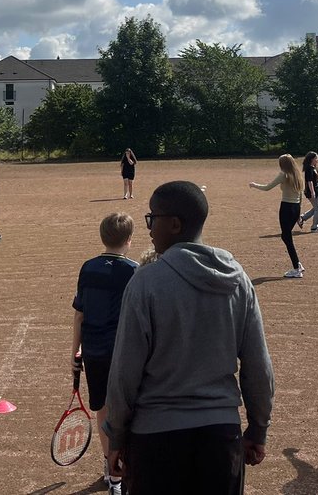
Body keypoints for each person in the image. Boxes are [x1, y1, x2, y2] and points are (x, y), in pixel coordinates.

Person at [104, 181, 274, 495]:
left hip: (156, 440)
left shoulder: (146, 283)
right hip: (221, 438)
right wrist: (258, 428)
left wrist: (116, 438)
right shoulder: (238, 280)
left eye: (152, 218)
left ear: (175, 224)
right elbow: (258, 367)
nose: (149, 227)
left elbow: (124, 372)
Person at [71, 213, 138, 495]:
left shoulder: (88, 268)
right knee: (131, 412)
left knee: (102, 410)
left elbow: (79, 314)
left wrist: (75, 350)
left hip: (94, 351)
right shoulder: (135, 270)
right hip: (126, 354)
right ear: (130, 240)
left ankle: (110, 470)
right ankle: (125, 468)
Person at [248, 154, 307, 278]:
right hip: (295, 208)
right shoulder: (297, 175)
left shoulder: (284, 174)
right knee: (286, 236)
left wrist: (254, 185)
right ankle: (297, 265)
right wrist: (298, 215)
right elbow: (300, 195)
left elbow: (267, 187)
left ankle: (297, 268)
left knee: (286, 236)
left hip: (286, 208)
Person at [298, 151, 318, 233]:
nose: (317, 160)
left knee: (316, 208)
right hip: (312, 192)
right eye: (316, 158)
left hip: (316, 191)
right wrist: (312, 192)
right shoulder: (309, 169)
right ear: (312, 159)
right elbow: (310, 182)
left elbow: (316, 174)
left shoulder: (313, 167)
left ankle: (302, 218)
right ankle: (314, 227)